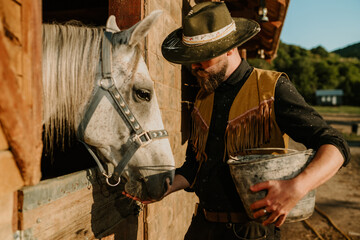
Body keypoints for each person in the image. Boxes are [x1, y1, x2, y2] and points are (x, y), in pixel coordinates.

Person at [160, 2, 351, 240]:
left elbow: (336, 144)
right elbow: (194, 166)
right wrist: (161, 187)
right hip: (203, 227)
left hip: (253, 232)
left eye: (203, 57)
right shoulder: (202, 97)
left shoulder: (272, 88)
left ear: (229, 48)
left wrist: (297, 187)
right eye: (192, 58)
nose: (195, 66)